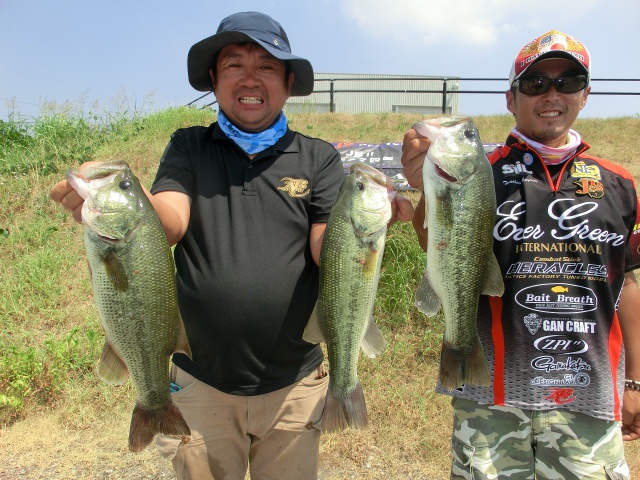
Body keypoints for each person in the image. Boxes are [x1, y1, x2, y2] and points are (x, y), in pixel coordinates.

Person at [50, 11, 413, 480]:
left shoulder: (318, 158)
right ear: (214, 81)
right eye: (233, 65)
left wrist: (368, 226)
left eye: (266, 66)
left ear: (286, 82)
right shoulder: (188, 147)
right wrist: (119, 209)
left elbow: (328, 248)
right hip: (200, 386)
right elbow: (170, 221)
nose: (250, 78)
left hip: (295, 386)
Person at [401, 30, 640, 479]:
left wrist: (636, 381)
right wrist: (424, 190)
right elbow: (434, 242)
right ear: (511, 98)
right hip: (489, 396)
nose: (552, 94)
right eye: (535, 84)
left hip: (588, 397)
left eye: (567, 81)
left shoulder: (619, 184)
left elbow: (626, 283)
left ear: (586, 95)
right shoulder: (478, 172)